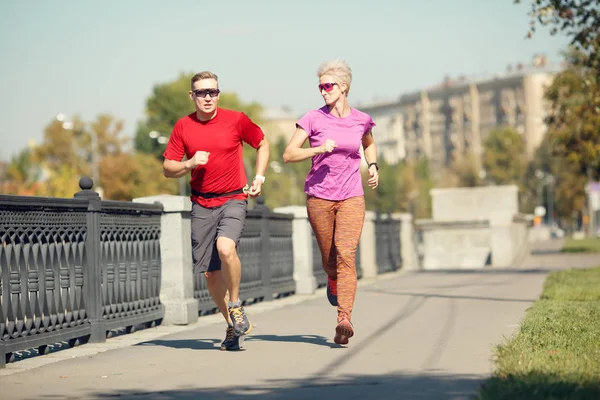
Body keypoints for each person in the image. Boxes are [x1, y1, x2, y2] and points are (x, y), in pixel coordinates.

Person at [162, 71, 270, 351]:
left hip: (233, 197)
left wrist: (259, 178)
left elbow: (262, 143)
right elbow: (168, 168)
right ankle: (232, 327)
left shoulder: (236, 119)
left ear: (218, 94)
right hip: (201, 203)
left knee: (225, 248)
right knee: (210, 274)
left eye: (212, 92)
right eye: (201, 92)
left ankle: (235, 305)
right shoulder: (183, 127)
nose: (208, 97)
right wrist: (189, 164)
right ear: (192, 96)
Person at [282, 59, 379, 345]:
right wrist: (318, 148)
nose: (323, 91)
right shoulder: (313, 118)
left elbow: (368, 142)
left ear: (344, 87)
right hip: (319, 196)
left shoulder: (361, 119)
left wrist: (373, 166)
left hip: (352, 195)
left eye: (328, 86)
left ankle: (344, 318)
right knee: (330, 257)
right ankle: (331, 278)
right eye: (320, 87)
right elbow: (289, 154)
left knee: (346, 254)